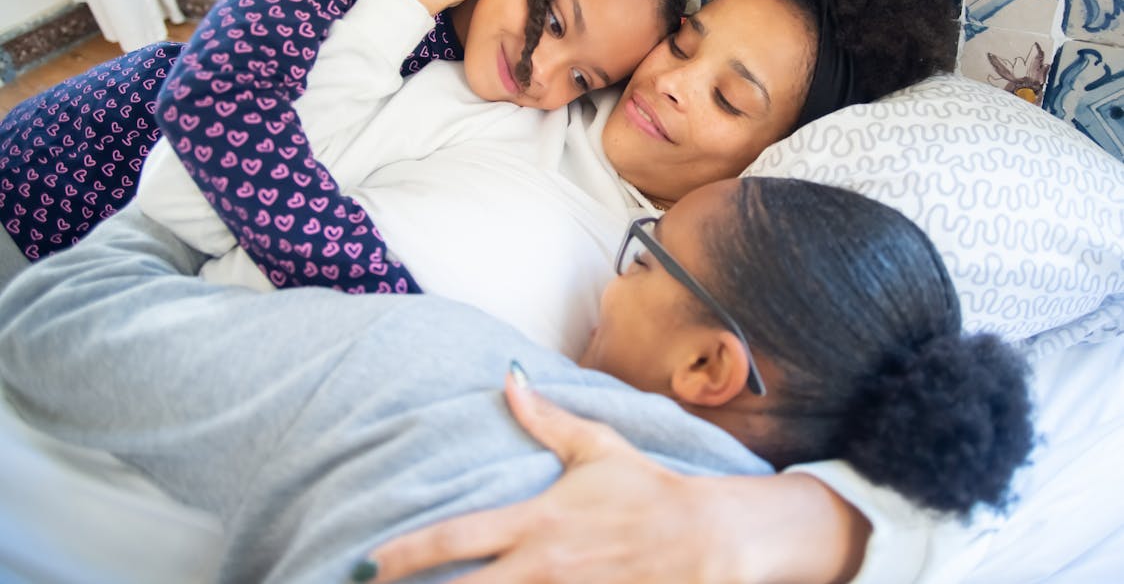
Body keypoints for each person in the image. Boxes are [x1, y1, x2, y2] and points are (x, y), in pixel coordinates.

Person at [0, 176, 1033, 584]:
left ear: (709, 366)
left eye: (642, 256)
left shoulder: (459, 379)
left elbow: (46, 325)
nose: (607, 281)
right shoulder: (815, 538)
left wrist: (161, 210)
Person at [127, 0, 958, 355]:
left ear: (776, 155)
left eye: (729, 100)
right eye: (681, 44)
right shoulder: (493, 100)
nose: (670, 84)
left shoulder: (695, 274)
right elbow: (197, 201)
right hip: (206, 348)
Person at [0, 0, 683, 264]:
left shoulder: (499, 105)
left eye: (583, 80)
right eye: (557, 21)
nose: (544, 72)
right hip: (66, 162)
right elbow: (213, 122)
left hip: (124, 254)